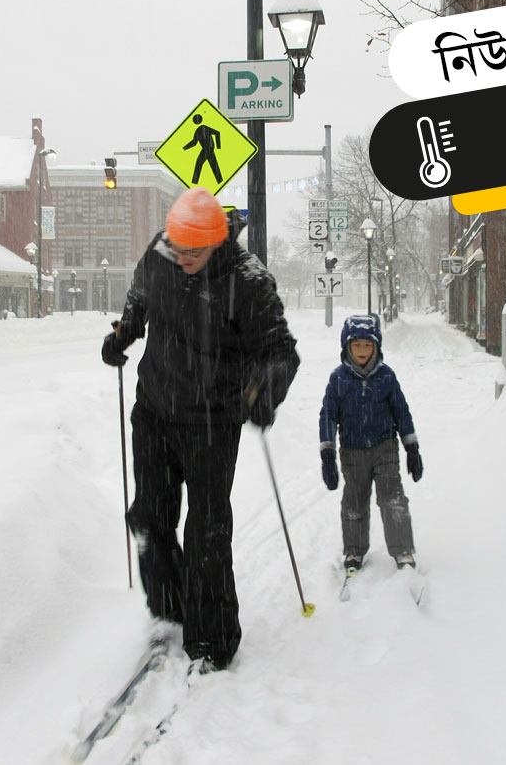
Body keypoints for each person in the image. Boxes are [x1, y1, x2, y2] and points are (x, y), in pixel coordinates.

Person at [101, 187, 300, 674]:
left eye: (194, 250)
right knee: (148, 516)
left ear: (216, 241)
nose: (184, 257)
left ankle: (212, 638)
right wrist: (125, 332)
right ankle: (169, 612)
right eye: (178, 247)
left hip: (212, 419)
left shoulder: (248, 280)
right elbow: (140, 298)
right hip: (154, 409)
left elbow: (280, 352)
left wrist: (264, 392)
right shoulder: (160, 254)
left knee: (206, 529)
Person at [318, 313, 422, 572]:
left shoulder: (386, 377)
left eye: (368, 345)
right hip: (352, 451)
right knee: (354, 503)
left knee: (392, 499)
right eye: (357, 345)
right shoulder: (338, 379)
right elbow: (328, 416)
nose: (362, 350)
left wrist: (411, 447)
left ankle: (403, 550)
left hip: (384, 447)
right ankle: (354, 551)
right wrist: (327, 454)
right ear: (347, 347)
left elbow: (402, 412)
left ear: (377, 346)